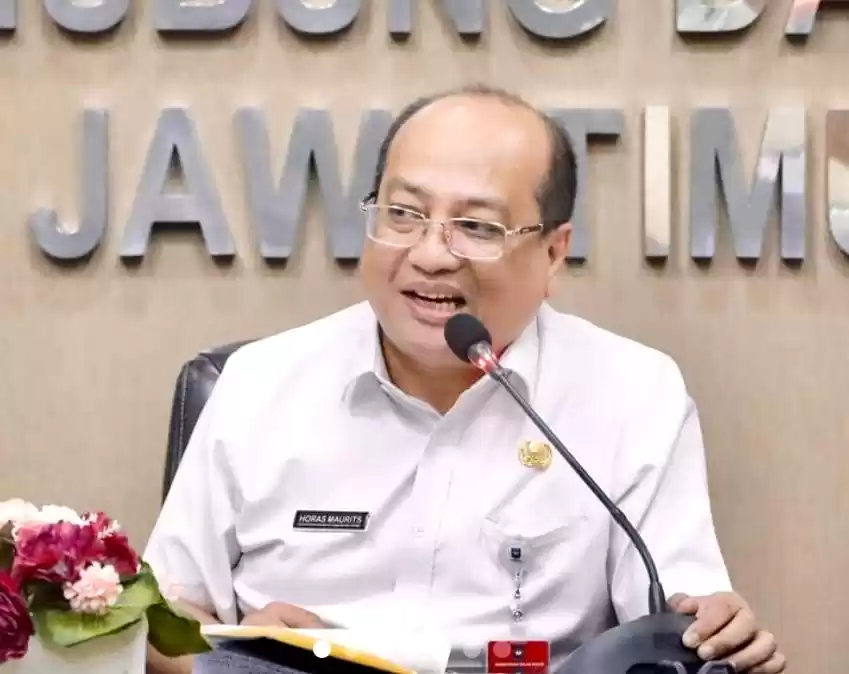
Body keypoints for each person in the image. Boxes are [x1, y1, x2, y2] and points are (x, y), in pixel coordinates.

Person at [144, 85, 786, 674]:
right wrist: (242, 658)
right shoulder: (260, 384)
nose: (429, 254)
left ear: (554, 252)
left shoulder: (632, 393)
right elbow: (153, 626)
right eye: (403, 213)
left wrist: (716, 632)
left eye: (478, 226)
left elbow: (677, 618)